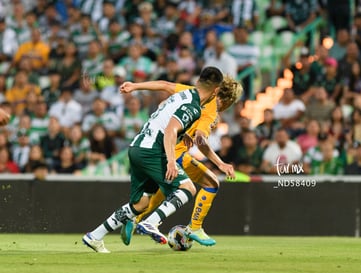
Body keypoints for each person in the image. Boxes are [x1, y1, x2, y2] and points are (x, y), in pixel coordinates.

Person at [82, 67, 235, 253]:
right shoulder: (195, 107)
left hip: (137, 147)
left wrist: (134, 86)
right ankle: (152, 222)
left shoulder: (184, 93)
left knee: (141, 204)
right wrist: (171, 161)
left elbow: (164, 87)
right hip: (154, 150)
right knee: (187, 188)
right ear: (216, 90)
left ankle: (94, 236)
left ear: (198, 81)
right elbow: (171, 130)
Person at [119, 74, 242, 247]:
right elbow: (201, 141)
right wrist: (220, 163)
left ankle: (134, 218)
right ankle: (194, 227)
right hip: (174, 153)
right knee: (211, 183)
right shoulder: (212, 112)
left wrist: (135, 86)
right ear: (229, 100)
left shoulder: (194, 91)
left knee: (161, 191)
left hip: (158, 147)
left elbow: (165, 85)